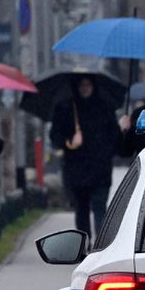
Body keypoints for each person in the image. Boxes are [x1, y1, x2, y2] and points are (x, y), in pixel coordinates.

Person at [50, 75, 120, 237]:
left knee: (100, 207)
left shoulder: (104, 107)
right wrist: (69, 141)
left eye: (88, 84)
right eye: (81, 85)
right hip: (77, 169)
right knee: (81, 209)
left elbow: (113, 136)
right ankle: (84, 243)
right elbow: (55, 135)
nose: (85, 88)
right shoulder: (66, 108)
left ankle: (101, 244)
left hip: (100, 168)